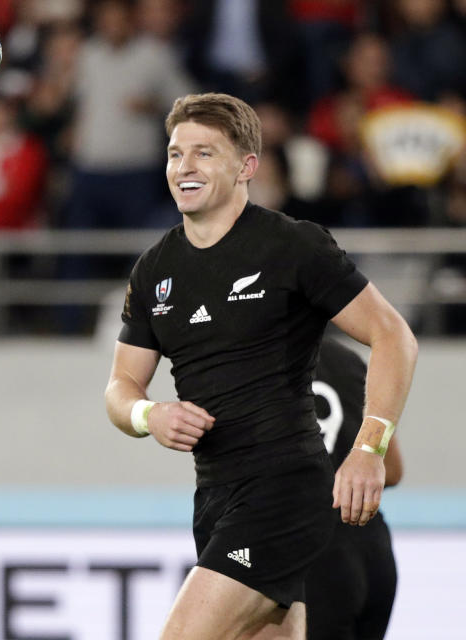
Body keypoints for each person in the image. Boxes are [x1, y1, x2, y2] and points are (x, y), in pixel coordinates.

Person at [103, 92, 417, 639]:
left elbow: (394, 336)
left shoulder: (292, 245)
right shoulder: (155, 268)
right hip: (214, 496)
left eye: (204, 153)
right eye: (176, 154)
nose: (185, 167)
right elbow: (121, 385)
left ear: (246, 166)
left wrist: (368, 448)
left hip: (283, 489)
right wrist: (148, 415)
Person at [307, 335, 403, 640]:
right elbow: (393, 471)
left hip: (311, 552)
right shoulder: (351, 361)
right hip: (372, 549)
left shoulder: (256, 361)